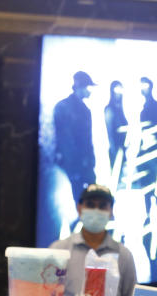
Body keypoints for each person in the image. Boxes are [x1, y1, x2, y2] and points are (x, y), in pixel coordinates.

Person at [51, 184, 137, 296]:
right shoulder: (59, 250)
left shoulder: (124, 255)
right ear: (79, 209)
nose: (96, 210)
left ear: (111, 212)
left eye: (103, 206)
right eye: (90, 205)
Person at [53, 71, 97, 200]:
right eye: (89, 87)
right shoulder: (63, 107)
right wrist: (75, 163)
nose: (90, 91)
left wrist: (90, 160)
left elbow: (87, 140)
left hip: (83, 162)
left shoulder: (84, 110)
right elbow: (64, 139)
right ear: (80, 87)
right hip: (74, 162)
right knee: (79, 192)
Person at [138, 77, 157, 194]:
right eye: (141, 86)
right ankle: (149, 208)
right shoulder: (143, 109)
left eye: (145, 85)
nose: (143, 89)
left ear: (151, 87)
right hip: (146, 150)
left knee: (152, 181)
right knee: (147, 182)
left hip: (154, 150)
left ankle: (152, 205)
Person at [105, 80, 128, 171]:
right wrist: (115, 151)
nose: (119, 93)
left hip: (122, 149)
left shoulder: (120, 109)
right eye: (116, 90)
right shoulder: (109, 109)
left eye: (120, 90)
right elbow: (110, 132)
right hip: (116, 150)